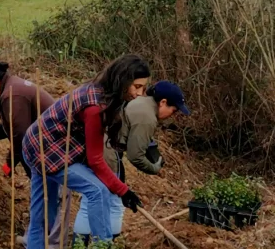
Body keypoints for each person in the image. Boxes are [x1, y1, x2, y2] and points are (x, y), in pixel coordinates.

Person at [22, 54, 151, 249]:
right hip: (48, 150)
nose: (138, 94)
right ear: (123, 80)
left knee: (43, 217)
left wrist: (121, 189)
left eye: (143, 88)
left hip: (38, 142)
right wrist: (123, 191)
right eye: (136, 87)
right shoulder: (95, 107)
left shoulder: (103, 95)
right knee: (97, 191)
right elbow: (96, 160)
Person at [73, 79, 190, 240]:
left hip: (93, 144)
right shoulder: (147, 116)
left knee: (89, 200)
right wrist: (155, 167)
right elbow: (136, 157)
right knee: (115, 204)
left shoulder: (140, 102)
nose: (172, 115)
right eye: (174, 110)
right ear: (163, 102)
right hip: (107, 152)